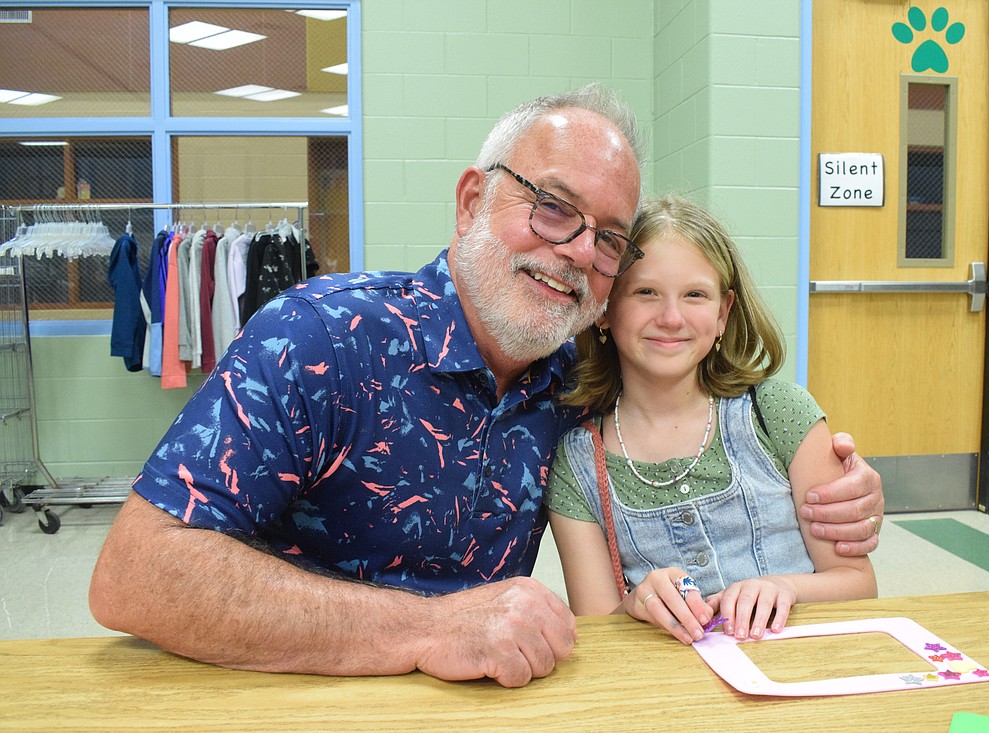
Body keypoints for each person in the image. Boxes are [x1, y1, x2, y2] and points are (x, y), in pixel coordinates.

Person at [88, 85, 884, 689]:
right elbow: (135, 574)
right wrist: (427, 628)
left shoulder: (578, 380)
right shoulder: (324, 339)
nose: (576, 251)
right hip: (283, 693)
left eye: (609, 238)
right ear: (473, 199)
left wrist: (839, 488)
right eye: (550, 208)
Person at [546, 195, 877, 646]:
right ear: (605, 309)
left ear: (723, 313)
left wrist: (787, 587)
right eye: (646, 293)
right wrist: (634, 604)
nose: (671, 317)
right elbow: (597, 628)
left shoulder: (779, 412)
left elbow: (858, 584)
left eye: (695, 295)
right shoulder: (577, 461)